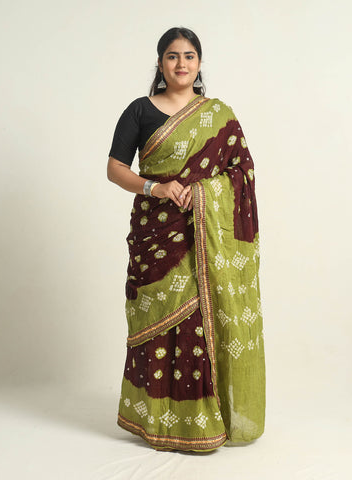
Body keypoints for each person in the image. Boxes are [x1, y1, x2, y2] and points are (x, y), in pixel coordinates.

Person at [107, 27, 265, 452]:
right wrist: (155, 188)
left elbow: (242, 172)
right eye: (173, 56)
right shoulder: (140, 111)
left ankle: (200, 424)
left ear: (199, 63)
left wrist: (203, 192)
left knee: (198, 322)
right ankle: (154, 420)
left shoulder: (218, 114)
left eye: (189, 56)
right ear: (160, 63)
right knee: (152, 322)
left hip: (203, 236)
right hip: (156, 235)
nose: (181, 64)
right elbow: (115, 168)